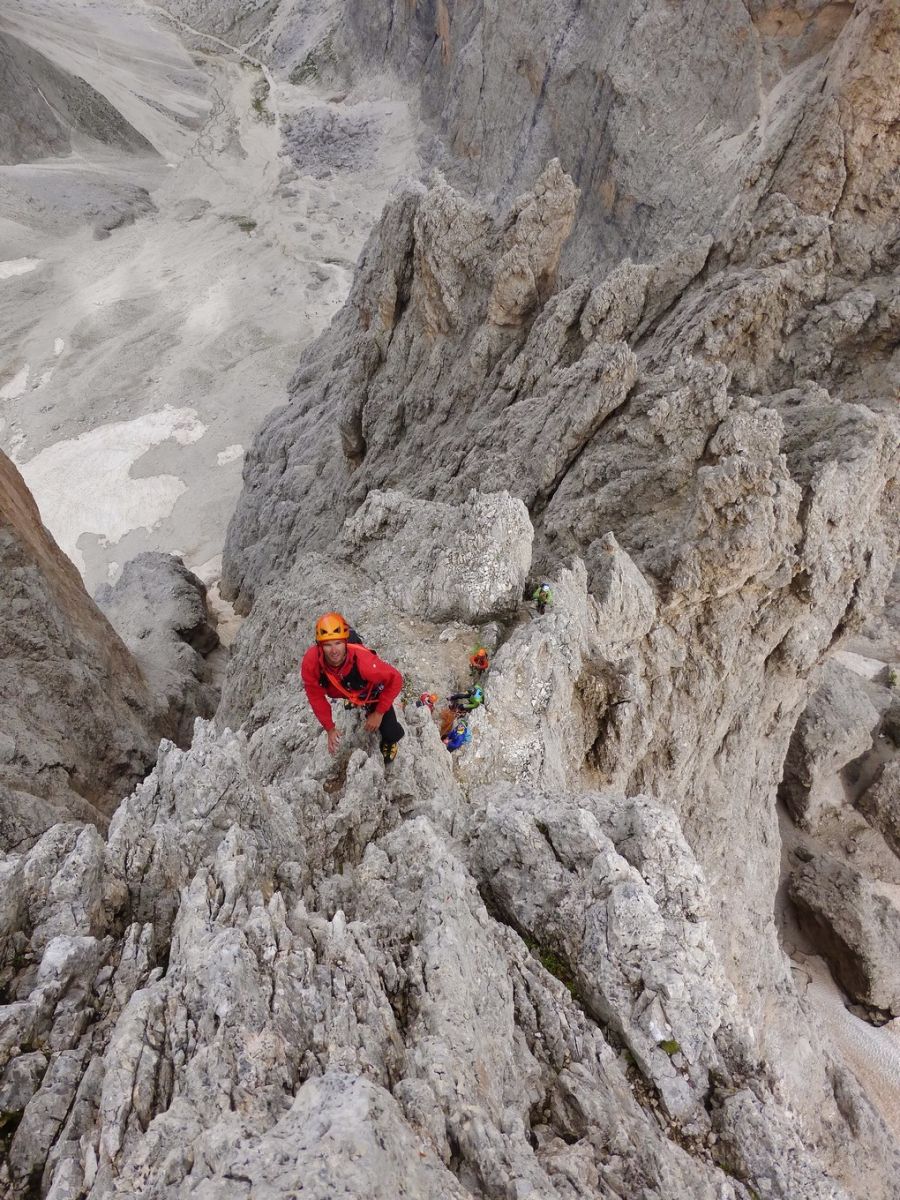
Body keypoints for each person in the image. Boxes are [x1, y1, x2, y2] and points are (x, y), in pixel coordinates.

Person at [300, 611, 405, 763]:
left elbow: (396, 679)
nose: (334, 650)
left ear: (345, 642)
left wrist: (379, 713)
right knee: (345, 688)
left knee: (389, 731)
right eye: (328, 645)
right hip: (348, 689)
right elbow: (315, 696)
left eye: (338, 643)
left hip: (372, 691)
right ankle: (353, 698)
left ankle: (390, 741)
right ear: (320, 646)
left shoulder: (364, 663)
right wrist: (329, 728)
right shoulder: (312, 662)